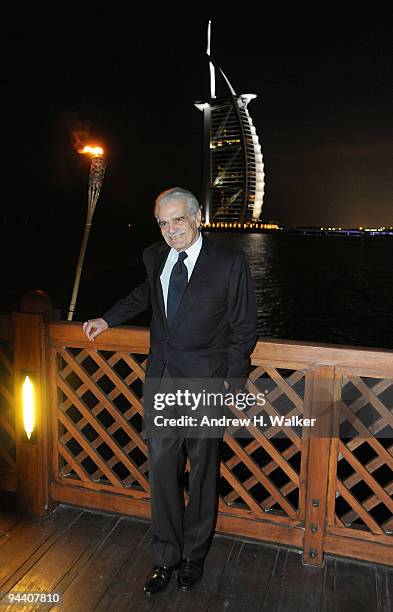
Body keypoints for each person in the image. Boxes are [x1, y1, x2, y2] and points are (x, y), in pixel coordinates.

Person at [83, 187, 257, 595]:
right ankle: (166, 556)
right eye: (163, 222)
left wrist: (230, 388)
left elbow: (244, 328)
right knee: (162, 470)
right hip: (161, 379)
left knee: (201, 476)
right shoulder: (154, 256)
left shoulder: (230, 263)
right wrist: (108, 319)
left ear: (197, 217)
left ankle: (194, 555)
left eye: (178, 220)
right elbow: (147, 293)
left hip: (204, 383)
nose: (170, 230)